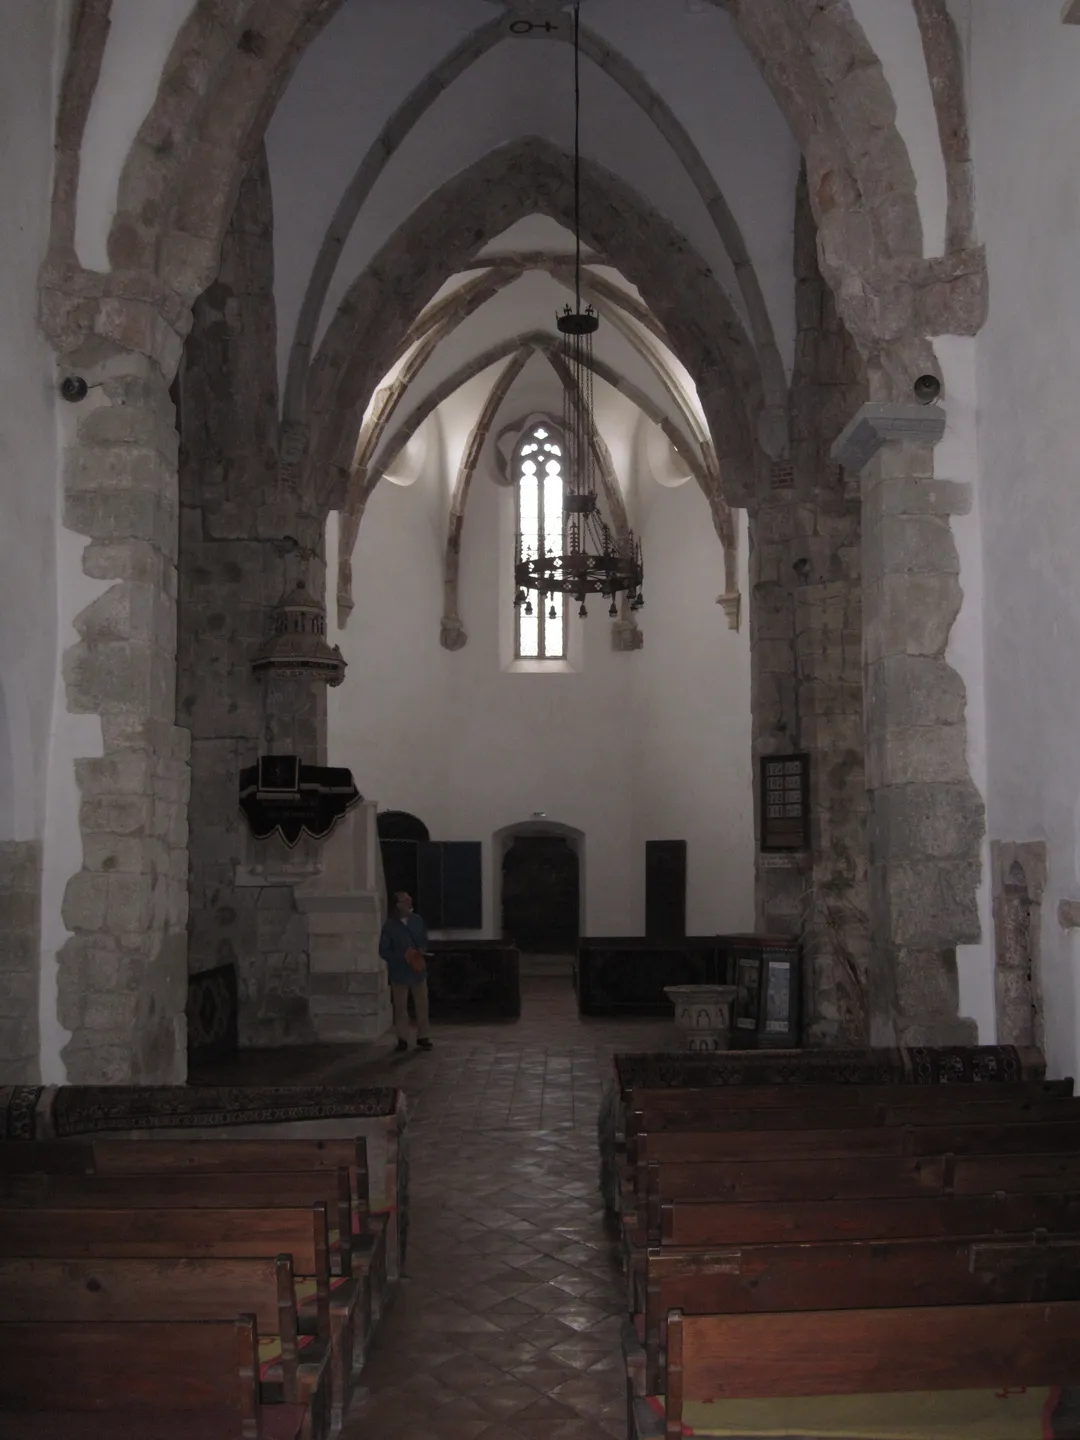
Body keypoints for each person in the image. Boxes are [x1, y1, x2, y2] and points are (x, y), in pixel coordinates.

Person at [378, 891, 433, 1052]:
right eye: (405, 901)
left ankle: (423, 1036)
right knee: (401, 1007)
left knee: (422, 1005)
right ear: (397, 905)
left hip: (417, 970)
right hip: (400, 972)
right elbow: (383, 950)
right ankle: (402, 1038)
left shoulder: (417, 921)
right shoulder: (389, 926)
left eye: (409, 899)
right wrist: (402, 956)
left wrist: (421, 950)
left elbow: (424, 940)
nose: (409, 902)